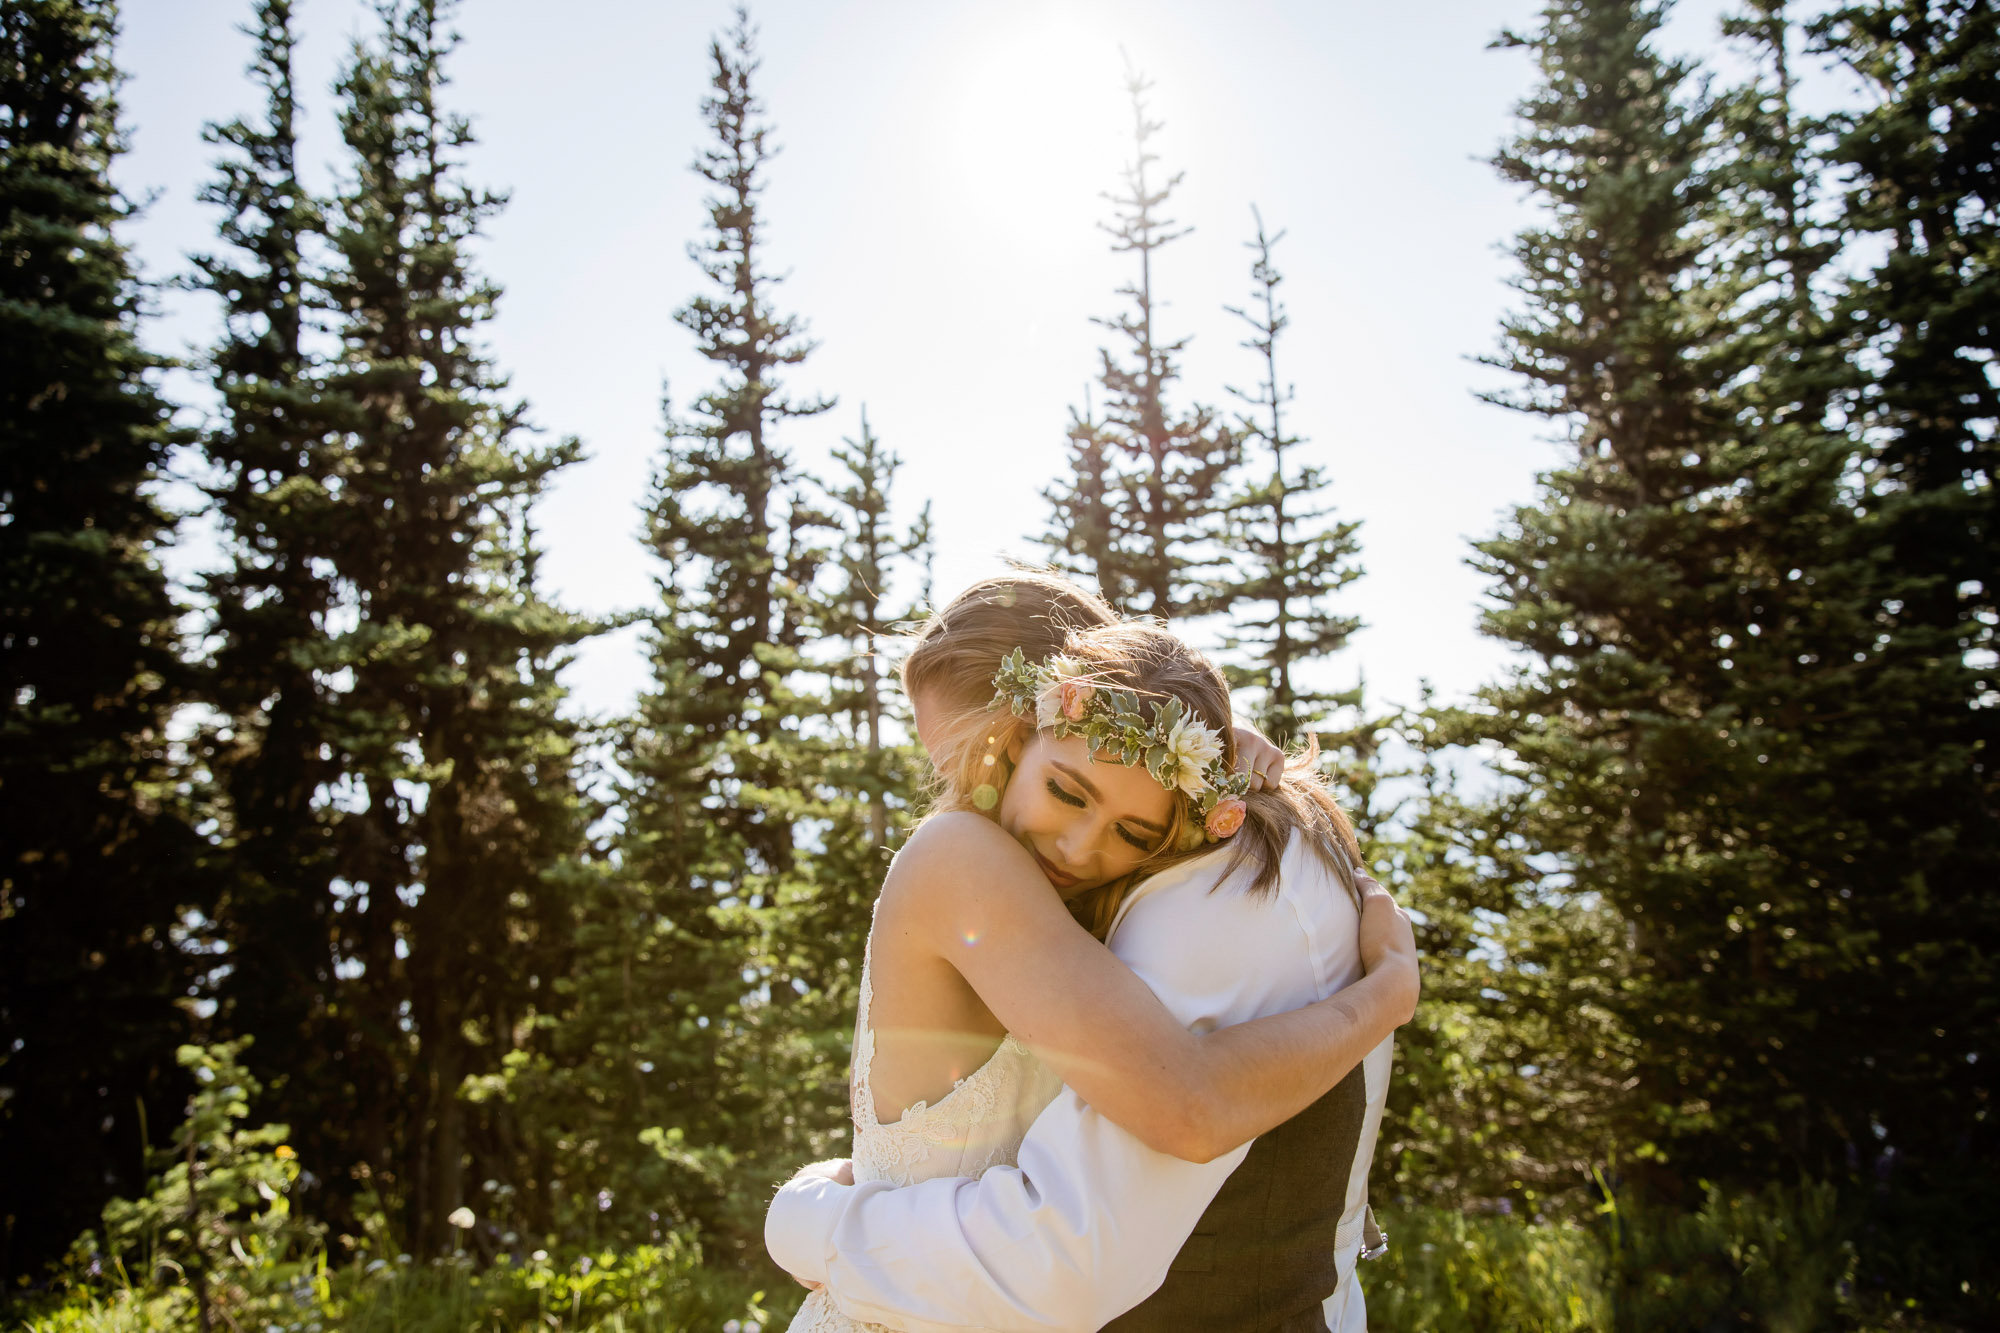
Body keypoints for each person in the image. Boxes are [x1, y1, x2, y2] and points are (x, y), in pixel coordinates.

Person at [769, 579, 1414, 1332]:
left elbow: (1181, 1096)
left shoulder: (1086, 892)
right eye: (942, 765)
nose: (963, 785)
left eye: (966, 752)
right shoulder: (965, 856)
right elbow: (1191, 1104)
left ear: (1017, 726)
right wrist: (1388, 993)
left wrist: (1203, 751)